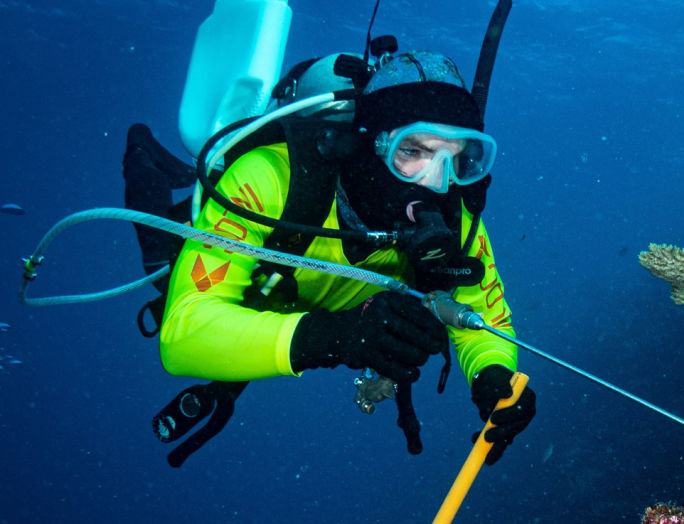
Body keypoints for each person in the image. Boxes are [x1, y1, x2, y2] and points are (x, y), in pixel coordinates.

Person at [137, 50, 535, 464]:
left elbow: (484, 319)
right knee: (158, 259)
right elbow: (183, 334)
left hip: (297, 308)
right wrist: (335, 337)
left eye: (454, 159)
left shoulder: (456, 217)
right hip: (252, 284)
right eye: (413, 151)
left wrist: (494, 375)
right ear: (371, 144)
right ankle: (142, 156)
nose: (436, 182)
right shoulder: (269, 178)